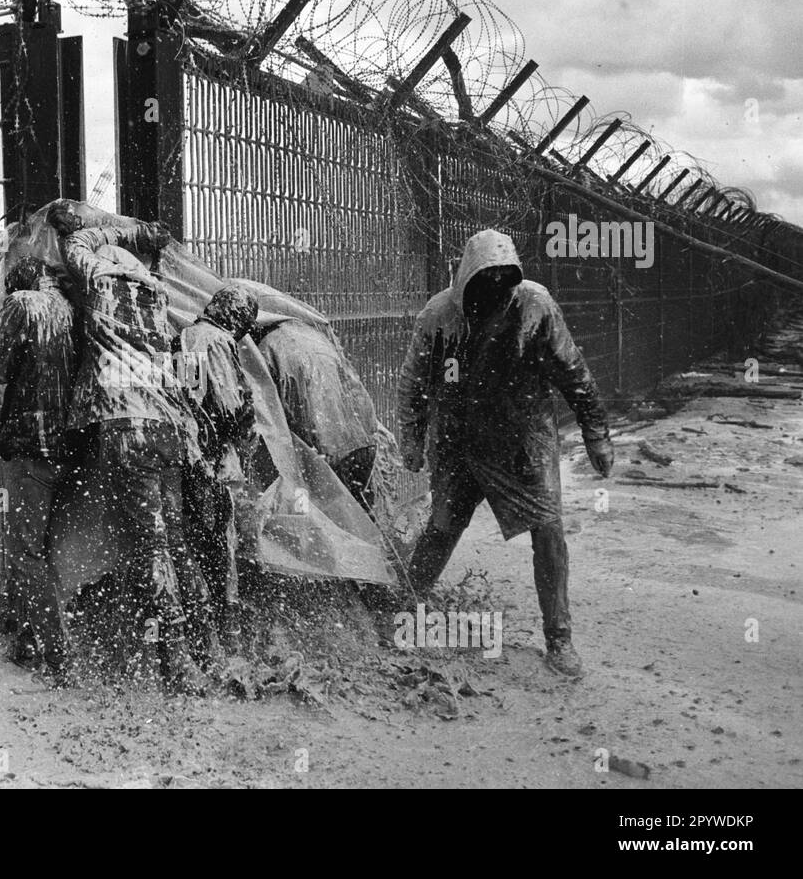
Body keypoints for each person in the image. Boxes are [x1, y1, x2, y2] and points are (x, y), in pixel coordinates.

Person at [397, 229, 614, 677]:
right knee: (442, 525)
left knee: (548, 530)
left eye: (502, 279)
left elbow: (572, 369)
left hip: (522, 434)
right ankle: (403, 610)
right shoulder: (439, 316)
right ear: (465, 279)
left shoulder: (535, 306)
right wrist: (412, 438)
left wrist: (596, 431)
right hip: (458, 438)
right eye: (484, 279)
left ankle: (559, 639)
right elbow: (414, 382)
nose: (494, 288)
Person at [49, 202, 213, 694]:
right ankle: (209, 645)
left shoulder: (98, 280)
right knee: (177, 540)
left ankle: (178, 662)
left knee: (151, 547)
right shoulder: (157, 294)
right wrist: (140, 236)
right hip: (169, 429)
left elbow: (73, 241)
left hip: (127, 425)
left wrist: (109, 230)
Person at [0, 255, 76, 680]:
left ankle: (56, 658)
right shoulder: (70, 310)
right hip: (63, 446)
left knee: (24, 552)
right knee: (44, 550)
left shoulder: (22, 304)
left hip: (27, 446)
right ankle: (24, 640)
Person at [177, 285, 260, 655]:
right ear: (238, 318)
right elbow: (228, 405)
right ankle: (227, 640)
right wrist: (248, 431)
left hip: (187, 454)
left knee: (194, 545)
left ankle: (199, 635)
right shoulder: (219, 341)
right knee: (221, 551)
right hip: (214, 460)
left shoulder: (185, 335)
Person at [253, 318, 381, 513]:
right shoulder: (313, 335)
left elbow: (270, 415)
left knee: (314, 521)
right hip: (358, 443)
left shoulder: (266, 349)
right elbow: (355, 388)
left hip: (319, 453)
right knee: (359, 519)